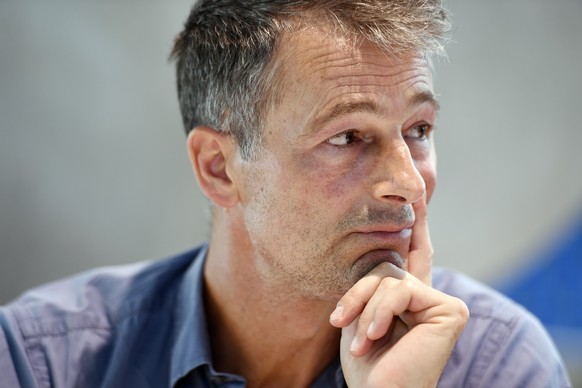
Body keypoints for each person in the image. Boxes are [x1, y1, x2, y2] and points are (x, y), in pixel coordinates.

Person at [0, 0, 572, 387]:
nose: (408, 183)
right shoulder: (43, 361)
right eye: (347, 137)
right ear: (219, 168)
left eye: (419, 130)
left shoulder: (500, 364)